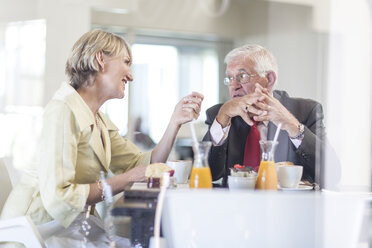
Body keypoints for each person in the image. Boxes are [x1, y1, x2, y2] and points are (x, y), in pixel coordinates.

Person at [1, 30, 203, 247]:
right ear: (100, 59)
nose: (131, 75)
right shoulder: (62, 110)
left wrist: (175, 122)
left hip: (72, 227)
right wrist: (128, 178)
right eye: (126, 62)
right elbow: (60, 198)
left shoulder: (98, 119)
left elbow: (144, 165)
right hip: (38, 232)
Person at [203, 44, 326, 187]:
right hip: (235, 205)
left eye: (242, 76)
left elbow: (331, 175)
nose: (234, 85)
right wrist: (222, 118)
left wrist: (291, 125)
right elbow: (209, 173)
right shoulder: (220, 115)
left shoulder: (306, 111)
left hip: (286, 206)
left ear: (269, 79)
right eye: (230, 78)